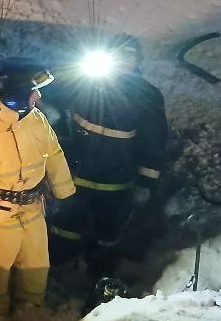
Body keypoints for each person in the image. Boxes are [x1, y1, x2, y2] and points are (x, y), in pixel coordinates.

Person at [42, 35, 169, 295]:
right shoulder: (86, 82)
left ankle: (100, 286)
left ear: (138, 61)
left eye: (129, 55)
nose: (123, 60)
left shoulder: (146, 95)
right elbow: (48, 88)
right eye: (118, 54)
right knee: (65, 226)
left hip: (116, 180)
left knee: (108, 233)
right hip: (76, 174)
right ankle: (54, 275)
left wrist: (146, 183)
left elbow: (153, 140)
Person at [0, 62, 76, 314]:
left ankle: (30, 315)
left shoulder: (37, 120)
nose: (38, 96)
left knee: (36, 268)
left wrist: (64, 192)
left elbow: (54, 154)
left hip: (33, 210)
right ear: (18, 94)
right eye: (33, 91)